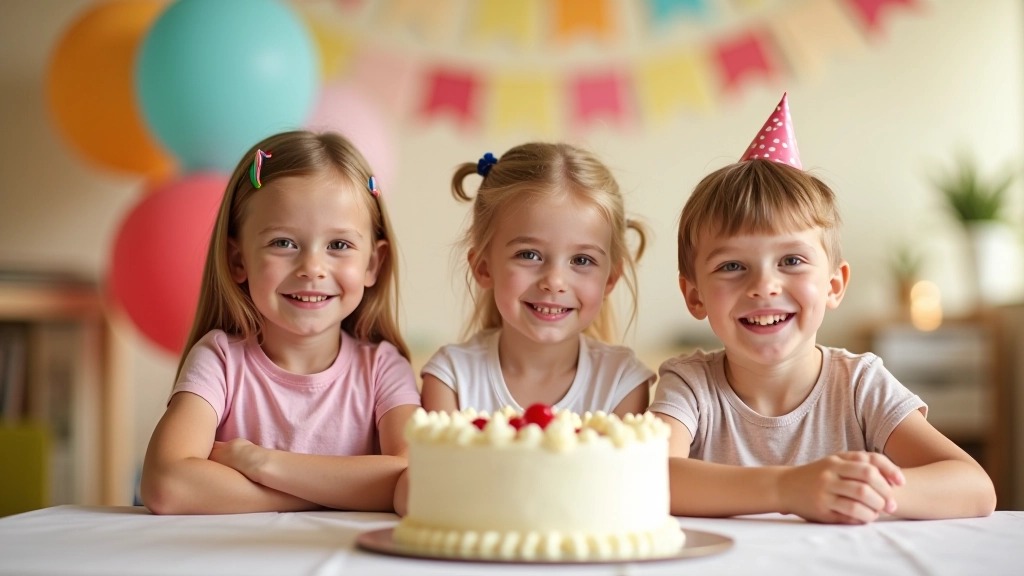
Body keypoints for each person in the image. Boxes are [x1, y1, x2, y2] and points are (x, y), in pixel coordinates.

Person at [649, 94, 996, 523]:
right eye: (732, 265)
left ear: (834, 285)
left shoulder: (859, 385)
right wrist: (787, 488)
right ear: (695, 296)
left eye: (791, 261)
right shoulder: (689, 385)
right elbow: (649, 479)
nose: (763, 286)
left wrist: (860, 491)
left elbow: (975, 488)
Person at [140, 131, 421, 515]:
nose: (312, 269)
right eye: (283, 243)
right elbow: (167, 485)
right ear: (238, 260)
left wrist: (261, 463)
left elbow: (416, 476)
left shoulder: (384, 369)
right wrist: (331, 492)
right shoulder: (220, 360)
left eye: (338, 245)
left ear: (372, 263)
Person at [420, 143, 654, 417]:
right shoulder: (451, 379)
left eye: (581, 260)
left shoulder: (621, 383)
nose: (554, 281)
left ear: (611, 278)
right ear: (484, 268)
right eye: (529, 255)